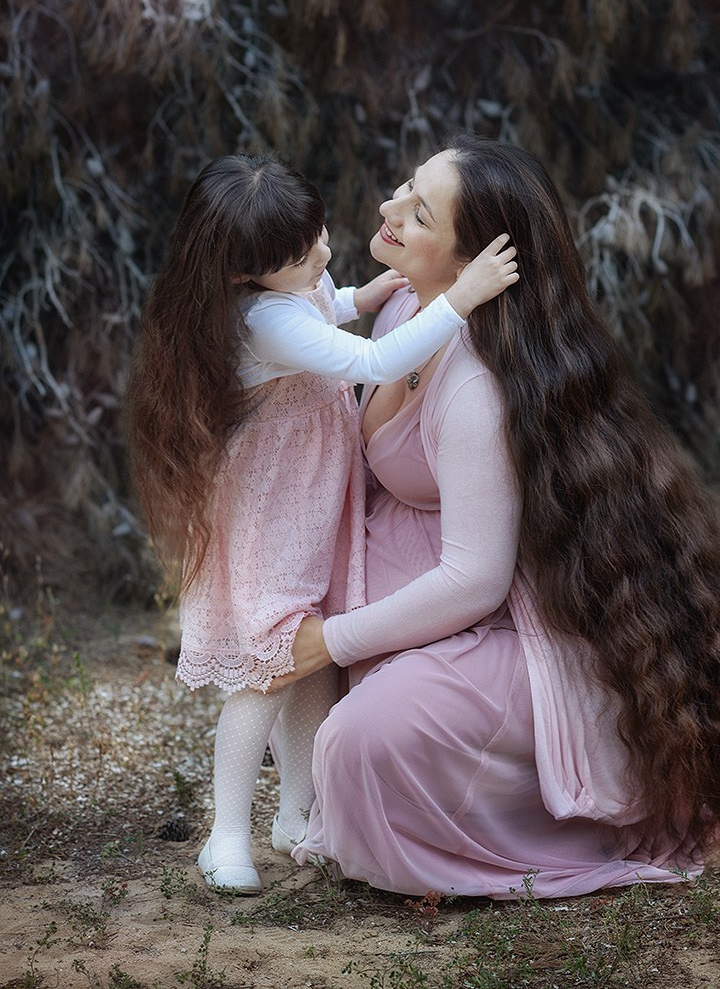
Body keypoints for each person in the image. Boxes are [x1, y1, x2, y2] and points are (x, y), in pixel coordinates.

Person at [270, 135, 720, 900]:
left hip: (510, 629)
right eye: (405, 189)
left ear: (469, 262)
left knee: (357, 742)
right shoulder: (409, 309)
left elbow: (476, 577)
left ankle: (533, 824)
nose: (387, 211)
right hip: (430, 600)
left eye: (418, 214)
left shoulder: (474, 384)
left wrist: (333, 639)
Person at [126, 151, 518, 895]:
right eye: (303, 254)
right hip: (277, 505)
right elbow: (373, 353)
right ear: (245, 274)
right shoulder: (265, 316)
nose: (323, 256)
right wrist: (459, 297)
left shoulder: (288, 288)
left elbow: (328, 306)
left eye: (318, 237)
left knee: (317, 658)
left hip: (311, 497)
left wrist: (364, 290)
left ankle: (298, 813)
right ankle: (226, 832)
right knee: (275, 660)